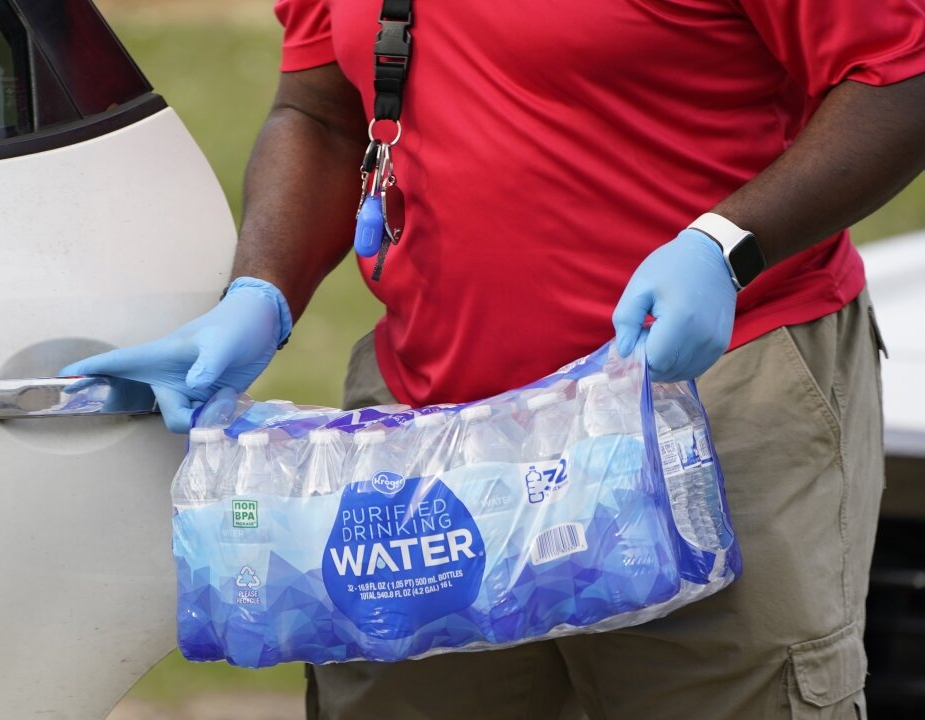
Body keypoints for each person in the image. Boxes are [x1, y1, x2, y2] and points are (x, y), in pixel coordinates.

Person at [64, 0, 925, 717]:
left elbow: (901, 76)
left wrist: (726, 244)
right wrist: (263, 291)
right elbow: (323, 112)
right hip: (428, 434)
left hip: (705, 405)